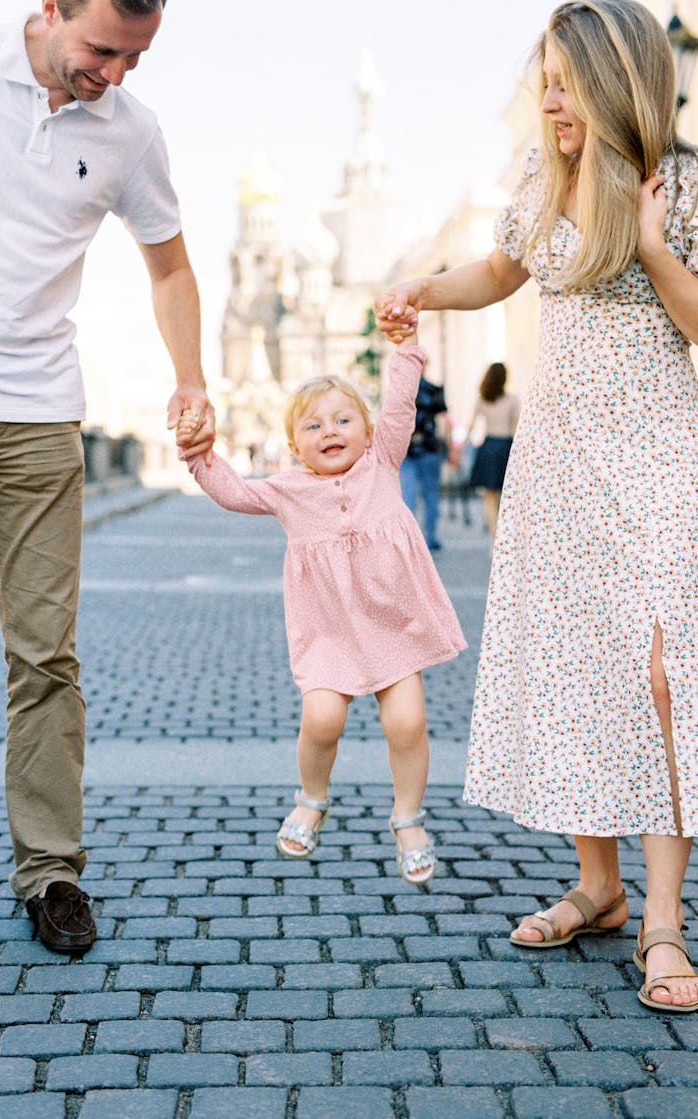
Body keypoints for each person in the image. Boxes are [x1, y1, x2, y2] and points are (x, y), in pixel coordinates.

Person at [375, 0, 698, 1011]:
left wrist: (651, 243)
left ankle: (662, 919)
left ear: (619, 83)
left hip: (654, 457)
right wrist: (422, 289)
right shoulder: (537, 180)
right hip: (557, 463)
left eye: (565, 80)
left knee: (660, 677)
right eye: (545, 78)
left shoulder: (674, 188)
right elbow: (502, 271)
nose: (548, 98)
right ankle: (597, 888)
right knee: (578, 664)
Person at [0, 0, 214, 954]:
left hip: (39, 414)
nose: (115, 74)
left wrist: (190, 376)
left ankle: (50, 869)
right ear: (50, 9)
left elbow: (171, 269)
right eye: (102, 50)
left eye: (136, 57)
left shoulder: (132, 133)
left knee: (45, 659)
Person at [177, 337, 466, 885]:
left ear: (368, 429)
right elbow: (235, 493)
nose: (330, 431)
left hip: (394, 623)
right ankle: (311, 799)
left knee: (407, 723)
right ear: (293, 446)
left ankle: (409, 819)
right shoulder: (289, 490)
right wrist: (198, 455)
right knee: (323, 719)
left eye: (342, 420)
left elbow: (401, 405)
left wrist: (405, 352)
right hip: (330, 630)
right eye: (313, 427)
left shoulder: (383, 461)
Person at [466, 362, 519, 541]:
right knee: (506, 497)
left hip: (488, 447)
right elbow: (516, 429)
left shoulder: (482, 399)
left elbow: (471, 425)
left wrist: (460, 448)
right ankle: (505, 538)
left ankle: (495, 539)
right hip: (506, 447)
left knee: (489, 497)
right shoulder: (512, 400)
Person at [400, 372, 450, 550]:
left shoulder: (401, 391)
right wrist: (449, 447)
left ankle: (409, 540)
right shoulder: (433, 389)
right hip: (430, 449)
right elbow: (445, 421)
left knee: (408, 495)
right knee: (431, 495)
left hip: (407, 449)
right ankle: (430, 537)